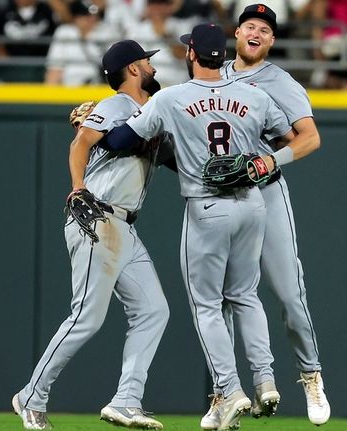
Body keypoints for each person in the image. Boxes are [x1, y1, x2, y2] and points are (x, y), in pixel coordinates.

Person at [104, 22, 319, 430]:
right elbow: (292, 137)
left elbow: (119, 141)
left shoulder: (171, 98)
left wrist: (97, 129)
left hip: (208, 207)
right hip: (253, 204)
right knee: (245, 296)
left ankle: (230, 388)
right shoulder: (254, 95)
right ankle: (267, 380)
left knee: (207, 305)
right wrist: (263, 160)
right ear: (223, 53)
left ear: (190, 54)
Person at [12, 39, 169, 431]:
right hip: (97, 215)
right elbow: (80, 143)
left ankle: (127, 400)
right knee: (86, 316)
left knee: (153, 311)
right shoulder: (117, 105)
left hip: (125, 227)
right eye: (146, 62)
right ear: (133, 69)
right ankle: (32, 396)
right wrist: (78, 186)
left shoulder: (144, 111)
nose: (152, 67)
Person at [197, 4, 328, 428]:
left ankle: (310, 375)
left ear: (271, 41)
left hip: (265, 193)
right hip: (220, 197)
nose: (256, 32)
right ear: (237, 33)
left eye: (265, 29)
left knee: (289, 294)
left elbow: (309, 139)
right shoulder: (214, 72)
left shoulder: (279, 82)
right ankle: (226, 395)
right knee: (225, 300)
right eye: (250, 25)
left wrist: (270, 161)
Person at [44, 0, 118, 85]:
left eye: (95, 15)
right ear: (75, 17)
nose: (92, 18)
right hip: (70, 87)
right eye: (86, 15)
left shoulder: (106, 32)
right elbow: (54, 70)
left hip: (97, 87)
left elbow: (115, 69)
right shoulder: (64, 32)